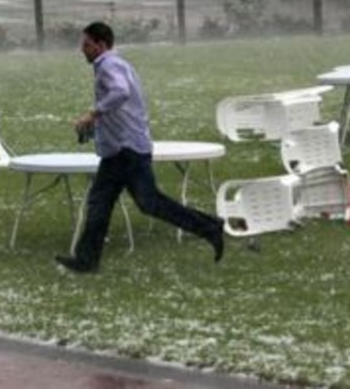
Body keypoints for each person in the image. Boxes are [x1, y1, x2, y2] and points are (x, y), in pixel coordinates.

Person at [56, 21, 225, 273]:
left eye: (87, 45)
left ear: (101, 45)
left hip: (127, 150)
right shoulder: (118, 64)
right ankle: (86, 260)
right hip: (123, 148)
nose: (83, 50)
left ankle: (210, 227)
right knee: (101, 203)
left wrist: (93, 114)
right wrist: (96, 126)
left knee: (147, 203)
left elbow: (120, 93)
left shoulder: (108, 66)